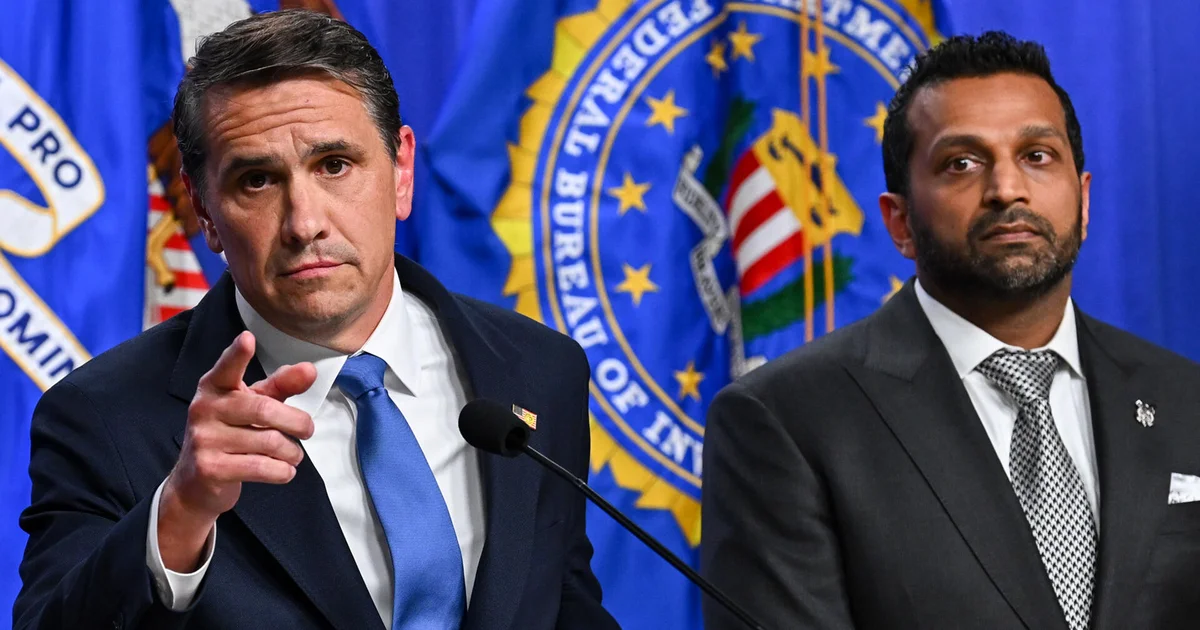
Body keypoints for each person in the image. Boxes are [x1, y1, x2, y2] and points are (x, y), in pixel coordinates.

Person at [13, 10, 619, 630]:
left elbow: (562, 605)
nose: (305, 223)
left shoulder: (538, 368)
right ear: (205, 212)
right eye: (257, 180)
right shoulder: (102, 419)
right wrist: (177, 515)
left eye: (334, 165)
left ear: (402, 172)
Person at [701, 31, 1200, 630]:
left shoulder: (1186, 400)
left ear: (1084, 201)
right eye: (961, 163)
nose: (1007, 189)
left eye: (1037, 155)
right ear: (901, 222)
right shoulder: (784, 420)